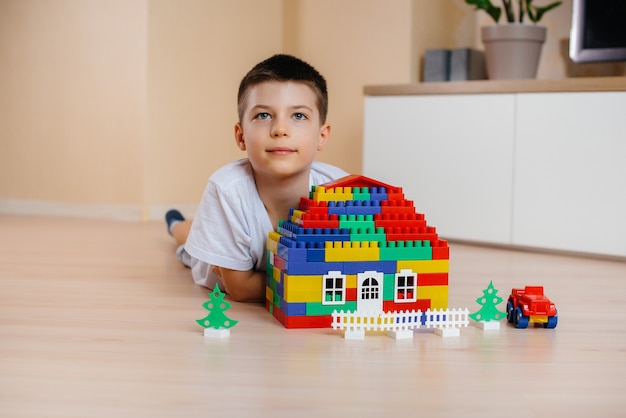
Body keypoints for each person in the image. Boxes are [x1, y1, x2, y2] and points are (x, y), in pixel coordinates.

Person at [165, 54, 348, 303]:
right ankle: (174, 223)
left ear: (322, 136)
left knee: (195, 229)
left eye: (299, 116)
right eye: (263, 115)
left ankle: (178, 222)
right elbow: (240, 289)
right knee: (188, 243)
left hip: (258, 266)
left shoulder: (339, 190)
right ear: (241, 136)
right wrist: (315, 280)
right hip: (214, 263)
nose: (280, 129)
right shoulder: (227, 190)